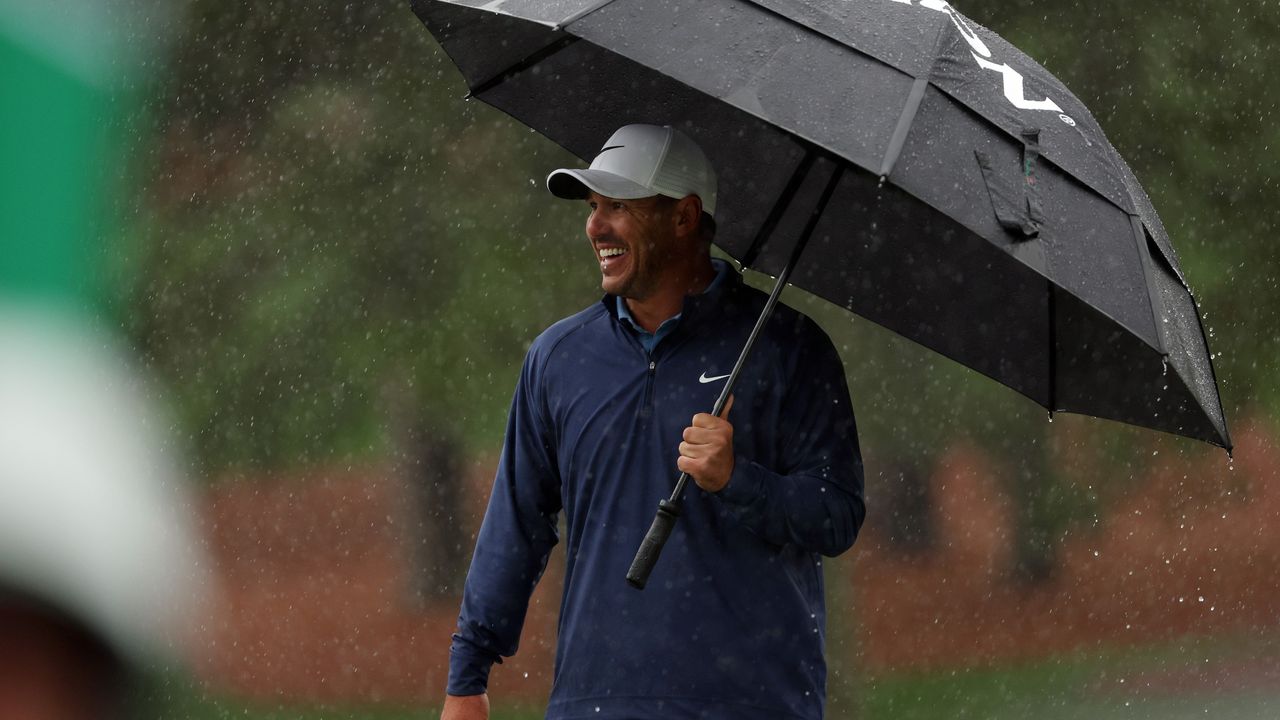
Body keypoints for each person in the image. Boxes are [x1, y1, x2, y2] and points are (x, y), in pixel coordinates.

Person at [441, 124, 865, 720]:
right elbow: (517, 523)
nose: (596, 226)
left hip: (753, 703)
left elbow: (838, 514)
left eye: (618, 206)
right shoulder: (559, 358)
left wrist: (737, 480)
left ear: (684, 217)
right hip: (596, 703)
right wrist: (467, 679)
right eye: (593, 207)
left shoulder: (788, 348)